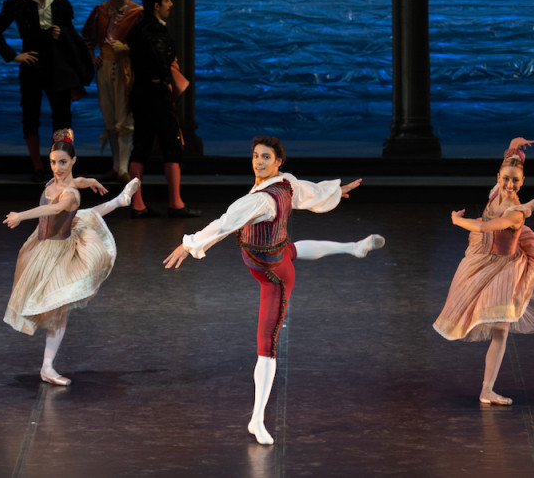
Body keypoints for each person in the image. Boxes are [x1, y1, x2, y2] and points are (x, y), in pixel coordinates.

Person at [164, 136, 385, 445]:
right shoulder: (286, 184)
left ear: (279, 162)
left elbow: (224, 224)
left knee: (266, 346)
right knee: (291, 251)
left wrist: (188, 245)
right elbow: (308, 191)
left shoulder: (262, 200)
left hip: (274, 277)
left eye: (266, 157)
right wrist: (333, 192)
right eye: (256, 156)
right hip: (274, 252)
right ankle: (354, 247)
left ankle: (257, 419)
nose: (259, 162)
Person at [3, 129, 140, 386]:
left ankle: (47, 367)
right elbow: (78, 182)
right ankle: (120, 201)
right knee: (86, 216)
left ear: (73, 161)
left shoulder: (69, 195)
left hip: (60, 252)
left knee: (59, 310)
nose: (57, 167)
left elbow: (55, 207)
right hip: (42, 247)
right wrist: (90, 181)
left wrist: (21, 215)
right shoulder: (62, 183)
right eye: (53, 162)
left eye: (63, 162)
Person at [433, 137, 534, 406]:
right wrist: (514, 147)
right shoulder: (494, 192)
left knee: (500, 330)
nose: (510, 185)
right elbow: (508, 162)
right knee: (486, 320)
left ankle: (487, 389)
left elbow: (483, 227)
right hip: (485, 257)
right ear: (498, 177)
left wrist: (456, 220)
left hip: (506, 265)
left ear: (522, 183)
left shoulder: (514, 213)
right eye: (506, 179)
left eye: (516, 181)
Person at [0, 0, 93, 182]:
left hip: (58, 68)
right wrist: (14, 56)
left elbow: (71, 35)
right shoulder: (20, 3)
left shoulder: (60, 3)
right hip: (33, 66)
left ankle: (61, 166)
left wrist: (61, 34)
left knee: (63, 118)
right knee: (30, 115)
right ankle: (37, 165)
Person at [126, 0, 200, 218]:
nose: (171, 4)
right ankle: (175, 204)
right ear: (156, 6)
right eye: (167, 1)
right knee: (171, 148)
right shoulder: (156, 32)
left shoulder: (136, 29)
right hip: (156, 94)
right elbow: (159, 61)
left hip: (139, 93)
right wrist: (166, 82)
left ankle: (137, 205)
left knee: (140, 147)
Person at [82, 0, 143, 184]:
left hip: (126, 67)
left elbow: (145, 43)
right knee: (110, 118)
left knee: (124, 119)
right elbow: (87, 37)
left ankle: (124, 168)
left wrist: (126, 49)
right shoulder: (101, 10)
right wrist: (92, 56)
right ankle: (116, 166)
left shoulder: (137, 12)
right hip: (105, 66)